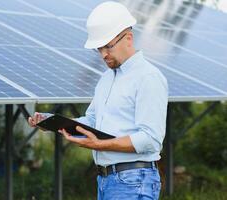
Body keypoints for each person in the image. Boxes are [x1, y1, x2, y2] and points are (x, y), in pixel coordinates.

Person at [28, 1, 168, 199]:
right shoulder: (106, 79)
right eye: (98, 48)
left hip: (134, 181)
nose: (103, 54)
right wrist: (51, 122)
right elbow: (92, 121)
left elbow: (151, 139)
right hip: (106, 181)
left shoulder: (148, 78)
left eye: (107, 46)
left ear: (128, 38)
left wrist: (101, 145)